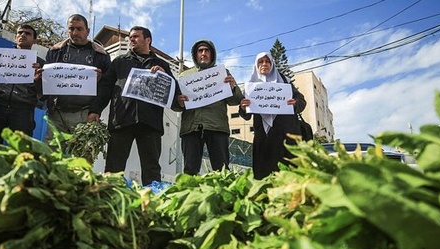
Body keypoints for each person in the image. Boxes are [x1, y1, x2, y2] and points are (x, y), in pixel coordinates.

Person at [90, 26, 178, 186]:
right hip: (121, 120)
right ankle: (110, 196)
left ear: (148, 40)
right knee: (114, 167)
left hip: (150, 123)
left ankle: (151, 202)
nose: (131, 39)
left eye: (136, 37)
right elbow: (105, 88)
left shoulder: (162, 64)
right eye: (130, 37)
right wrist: (95, 110)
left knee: (151, 168)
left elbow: (173, 92)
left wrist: (164, 77)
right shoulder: (119, 62)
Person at [175, 39, 243, 175]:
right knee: (190, 171)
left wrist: (233, 87)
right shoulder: (184, 76)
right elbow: (176, 106)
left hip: (217, 127)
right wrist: (179, 102)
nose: (203, 53)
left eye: (207, 50)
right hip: (191, 128)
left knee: (222, 170)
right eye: (200, 51)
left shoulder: (223, 73)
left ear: (212, 54)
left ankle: (222, 196)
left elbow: (236, 101)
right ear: (195, 54)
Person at [238, 51, 310, 179]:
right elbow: (246, 116)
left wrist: (295, 103)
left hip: (286, 136)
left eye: (267, 61)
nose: (264, 64)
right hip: (264, 139)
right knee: (264, 174)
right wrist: (243, 107)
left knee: (289, 173)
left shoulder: (285, 82)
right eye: (261, 61)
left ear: (272, 64)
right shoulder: (251, 86)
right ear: (256, 65)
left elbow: (302, 102)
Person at [43, 14, 110, 144]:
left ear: (88, 31)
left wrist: (95, 110)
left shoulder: (101, 55)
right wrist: (40, 78)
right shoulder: (55, 51)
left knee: (82, 160)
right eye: (71, 29)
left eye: (79, 29)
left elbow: (106, 87)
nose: (75, 33)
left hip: (84, 114)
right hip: (57, 114)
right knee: (50, 157)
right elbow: (47, 82)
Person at [0, 24, 45, 144]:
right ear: (15, 37)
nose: (23, 35)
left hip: (23, 111)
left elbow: (43, 94)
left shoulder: (41, 64)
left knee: (22, 151)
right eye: (20, 32)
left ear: (34, 40)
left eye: (27, 33)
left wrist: (38, 80)